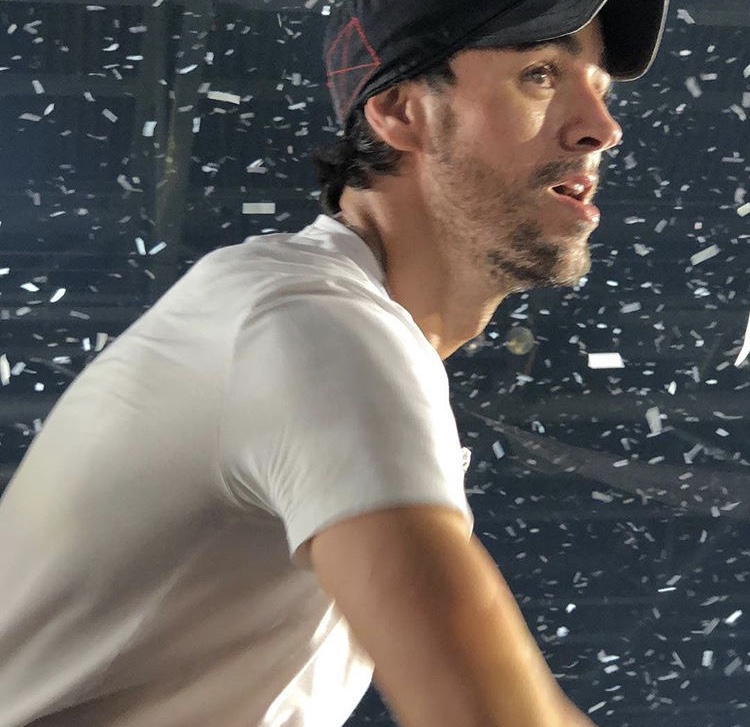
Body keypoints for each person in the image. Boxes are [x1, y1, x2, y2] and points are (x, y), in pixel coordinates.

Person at [0, 0, 668, 725]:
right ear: (400, 111)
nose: (603, 128)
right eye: (540, 74)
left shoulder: (336, 328)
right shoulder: (310, 320)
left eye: (600, 87)